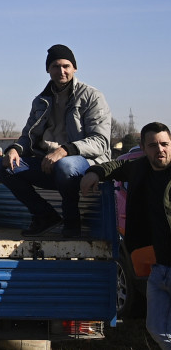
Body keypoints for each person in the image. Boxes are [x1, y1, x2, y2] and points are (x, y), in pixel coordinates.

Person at [0, 44, 111, 237]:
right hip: (48, 163)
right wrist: (15, 149)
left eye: (66, 66)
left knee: (65, 165)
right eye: (56, 66)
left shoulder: (92, 97)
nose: (61, 71)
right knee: (2, 166)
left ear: (75, 68)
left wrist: (64, 150)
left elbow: (100, 142)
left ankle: (72, 223)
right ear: (48, 69)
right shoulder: (40, 101)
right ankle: (44, 215)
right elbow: (28, 136)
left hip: (84, 164)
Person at [80, 122, 171, 349]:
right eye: (153, 145)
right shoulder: (139, 168)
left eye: (165, 144)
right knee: (157, 328)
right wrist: (93, 172)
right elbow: (113, 167)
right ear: (143, 147)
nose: (160, 149)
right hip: (158, 269)